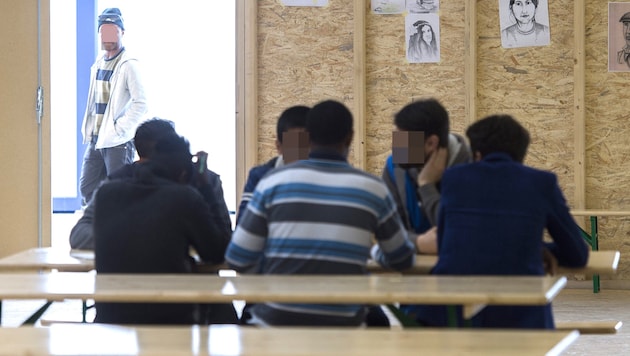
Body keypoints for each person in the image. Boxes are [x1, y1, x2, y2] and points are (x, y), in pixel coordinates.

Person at [225, 99, 416, 327]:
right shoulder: (373, 189)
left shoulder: (270, 183)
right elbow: (402, 259)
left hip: (276, 325)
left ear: (308, 138)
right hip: (345, 327)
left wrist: (276, 271)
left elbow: (237, 258)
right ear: (350, 137)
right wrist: (374, 253)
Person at [409, 114, 589, 329]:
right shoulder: (542, 183)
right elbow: (577, 255)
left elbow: (449, 243)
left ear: (477, 154)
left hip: (454, 316)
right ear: (521, 153)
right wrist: (534, 248)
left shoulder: (454, 179)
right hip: (522, 319)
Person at [93, 134, 236, 325]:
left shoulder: (106, 193)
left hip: (110, 319)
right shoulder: (184, 197)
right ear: (184, 174)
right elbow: (218, 252)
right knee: (223, 309)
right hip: (169, 320)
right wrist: (205, 185)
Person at [70, 118, 232, 252]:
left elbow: (223, 242)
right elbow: (79, 234)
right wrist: (150, 240)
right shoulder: (115, 183)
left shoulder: (202, 180)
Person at [382, 98, 472, 254]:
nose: (396, 148)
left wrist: (426, 185)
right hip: (411, 272)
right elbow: (387, 234)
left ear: (431, 143)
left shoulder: (471, 169)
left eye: (403, 141)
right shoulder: (393, 167)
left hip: (461, 271)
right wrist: (418, 243)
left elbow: (458, 233)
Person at [79, 7, 148, 205]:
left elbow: (141, 103)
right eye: (104, 30)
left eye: (113, 30)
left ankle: (120, 231)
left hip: (118, 141)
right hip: (97, 138)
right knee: (88, 187)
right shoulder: (99, 63)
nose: (107, 35)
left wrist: (121, 129)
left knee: (120, 191)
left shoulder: (129, 65)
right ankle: (96, 229)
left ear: (122, 32)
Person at [235, 105, 310, 225]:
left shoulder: (327, 178)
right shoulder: (260, 177)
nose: (300, 152)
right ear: (279, 147)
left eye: (306, 144)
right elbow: (243, 226)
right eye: (293, 145)